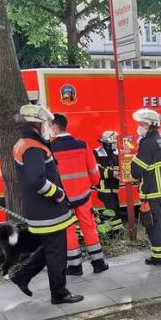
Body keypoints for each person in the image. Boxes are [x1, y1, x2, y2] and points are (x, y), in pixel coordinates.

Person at [7, 104, 82, 304]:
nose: (47, 126)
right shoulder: (32, 147)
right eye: (45, 122)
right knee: (57, 252)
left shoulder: (24, 142)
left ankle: (21, 276)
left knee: (50, 247)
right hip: (48, 210)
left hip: (40, 209)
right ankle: (59, 293)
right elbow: (36, 180)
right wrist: (57, 193)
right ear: (37, 124)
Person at [48, 112, 108, 276]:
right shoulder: (82, 145)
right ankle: (98, 263)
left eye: (49, 125)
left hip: (62, 198)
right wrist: (93, 184)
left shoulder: (50, 148)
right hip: (83, 195)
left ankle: (74, 266)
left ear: (55, 126)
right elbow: (94, 172)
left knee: (68, 230)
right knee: (89, 227)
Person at [129, 108, 161, 266]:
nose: (139, 126)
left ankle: (158, 257)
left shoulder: (147, 143)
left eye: (141, 123)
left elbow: (136, 171)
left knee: (155, 226)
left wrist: (134, 159)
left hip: (154, 192)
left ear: (149, 125)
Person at [92, 130, 124, 235]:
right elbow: (96, 169)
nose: (115, 144)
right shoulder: (97, 152)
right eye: (113, 142)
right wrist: (112, 173)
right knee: (113, 210)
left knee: (114, 209)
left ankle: (109, 231)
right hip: (104, 188)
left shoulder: (115, 153)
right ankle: (117, 233)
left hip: (113, 188)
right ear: (106, 142)